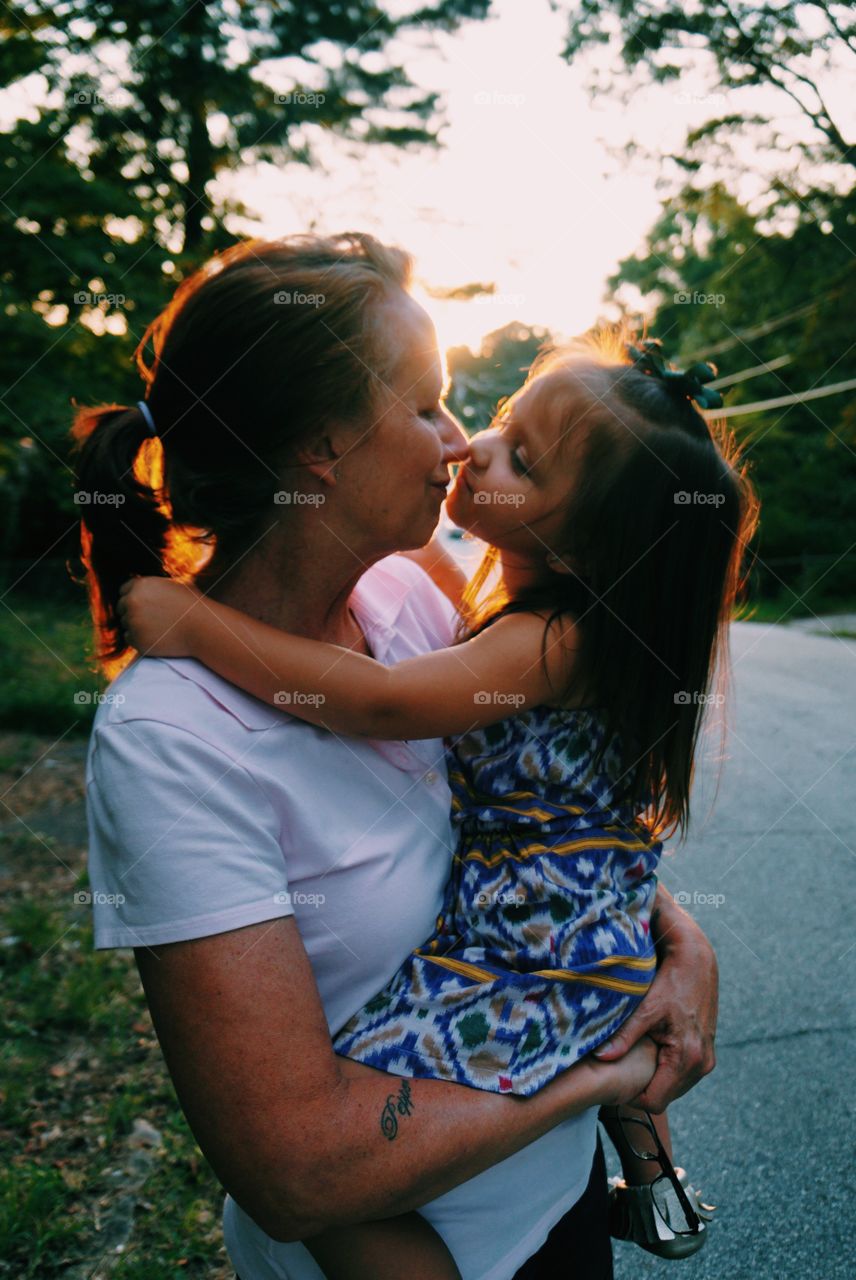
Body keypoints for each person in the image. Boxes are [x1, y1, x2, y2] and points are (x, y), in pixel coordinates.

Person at [73, 233, 719, 1280]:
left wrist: (680, 942)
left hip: (560, 1216)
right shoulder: (171, 738)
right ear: (320, 446)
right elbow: (295, 1170)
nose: (459, 443)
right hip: (444, 1246)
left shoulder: (413, 599)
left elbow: (544, 817)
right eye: (428, 406)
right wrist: (597, 1079)